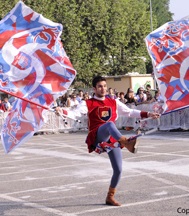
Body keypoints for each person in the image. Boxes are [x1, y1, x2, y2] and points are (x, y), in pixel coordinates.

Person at [55, 76, 160, 206]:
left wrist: (148, 114)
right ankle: (126, 142)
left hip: (112, 138)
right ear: (94, 88)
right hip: (97, 136)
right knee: (110, 124)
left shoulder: (113, 101)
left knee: (119, 170)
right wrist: (62, 111)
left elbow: (129, 111)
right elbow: (75, 114)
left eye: (104, 86)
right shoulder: (87, 103)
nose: (103, 88)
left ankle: (110, 197)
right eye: (100, 86)